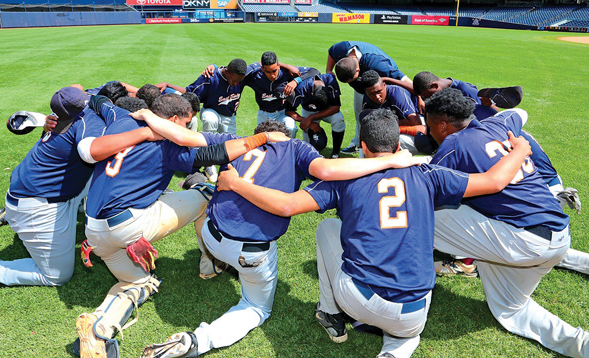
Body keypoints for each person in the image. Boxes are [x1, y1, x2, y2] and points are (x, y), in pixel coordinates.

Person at [188, 109, 531, 358]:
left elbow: (288, 205)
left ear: (363, 147)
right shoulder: (428, 173)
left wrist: (234, 183)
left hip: (358, 299)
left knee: (327, 227)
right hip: (415, 309)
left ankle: (331, 314)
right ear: (398, 144)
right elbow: (495, 182)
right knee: (404, 337)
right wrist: (519, 151)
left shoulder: (345, 178)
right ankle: (395, 347)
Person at [140, 119, 431, 358]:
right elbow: (325, 172)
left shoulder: (236, 139)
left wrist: (146, 121)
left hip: (213, 236)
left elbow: (183, 134)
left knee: (205, 194)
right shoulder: (296, 147)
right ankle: (199, 340)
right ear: (285, 137)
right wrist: (392, 160)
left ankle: (209, 263)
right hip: (251, 252)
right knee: (256, 307)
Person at [75, 94, 290, 358]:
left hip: (95, 232)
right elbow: (215, 153)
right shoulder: (168, 144)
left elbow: (99, 101)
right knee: (205, 196)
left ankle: (98, 329)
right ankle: (210, 264)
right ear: (174, 119)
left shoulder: (121, 116)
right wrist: (262, 138)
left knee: (140, 282)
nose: (187, 128)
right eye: (186, 122)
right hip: (128, 225)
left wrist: (84, 94)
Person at [426, 88, 589, 358]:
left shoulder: (451, 146)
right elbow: (518, 113)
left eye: (431, 126)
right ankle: (582, 345)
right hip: (558, 234)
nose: (429, 131)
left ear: (442, 125)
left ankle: (403, 282)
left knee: (425, 213)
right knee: (510, 309)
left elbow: (425, 189)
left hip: (523, 243)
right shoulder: (499, 123)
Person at [0, 87, 158, 287]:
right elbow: (90, 152)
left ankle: (72, 210)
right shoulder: (88, 120)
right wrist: (144, 132)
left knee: (105, 176)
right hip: (37, 205)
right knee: (57, 275)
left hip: (35, 186)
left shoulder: (77, 107)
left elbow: (77, 89)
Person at [332, 46, 411, 154]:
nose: (353, 83)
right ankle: (358, 145)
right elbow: (331, 51)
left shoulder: (380, 65)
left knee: (386, 118)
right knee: (363, 117)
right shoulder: (341, 50)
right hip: (367, 90)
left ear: (358, 70)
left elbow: (403, 78)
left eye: (353, 79)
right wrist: (328, 70)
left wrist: (420, 96)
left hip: (383, 88)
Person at [360, 70, 431, 155]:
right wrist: (361, 151)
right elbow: (365, 126)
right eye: (371, 94)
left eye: (379, 91)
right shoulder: (367, 100)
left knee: (384, 141)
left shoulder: (397, 94)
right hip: (397, 127)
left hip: (421, 129)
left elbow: (416, 122)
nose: (377, 97)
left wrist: (386, 125)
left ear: (384, 85)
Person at [284, 73, 345, 158]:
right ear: (312, 94)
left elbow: (336, 107)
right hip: (309, 110)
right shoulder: (301, 88)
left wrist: (311, 118)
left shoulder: (330, 81)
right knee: (310, 147)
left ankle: (335, 153)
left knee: (338, 119)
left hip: (327, 111)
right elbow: (289, 111)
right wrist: (306, 121)